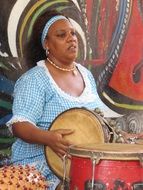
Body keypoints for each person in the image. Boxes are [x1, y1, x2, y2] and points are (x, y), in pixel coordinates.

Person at [7, 10, 113, 189]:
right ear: (47, 44)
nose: (71, 38)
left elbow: (100, 121)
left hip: (86, 169)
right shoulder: (35, 79)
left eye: (72, 33)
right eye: (61, 35)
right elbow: (19, 124)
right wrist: (48, 138)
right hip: (41, 169)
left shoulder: (86, 75)